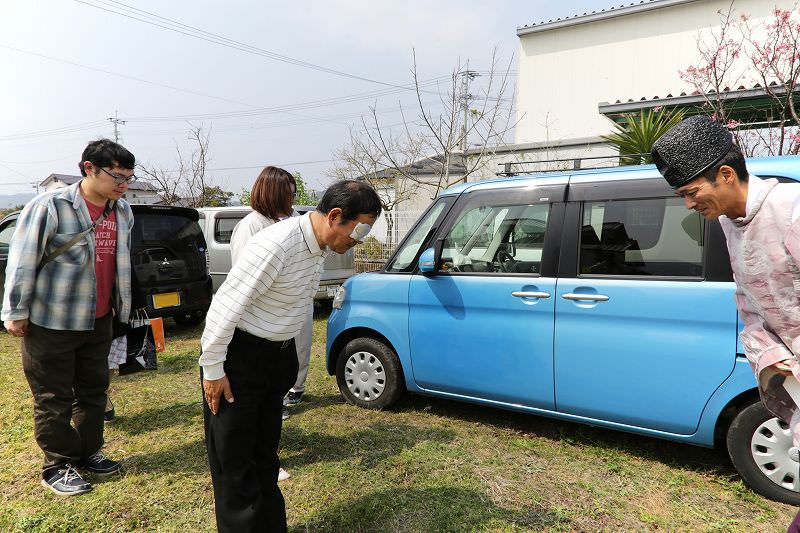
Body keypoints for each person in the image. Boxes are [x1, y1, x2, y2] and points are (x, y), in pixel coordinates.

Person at [200, 179, 381, 532]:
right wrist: (213, 370)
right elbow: (225, 306)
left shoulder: (318, 247)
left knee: (265, 456)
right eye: (359, 228)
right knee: (235, 462)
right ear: (335, 215)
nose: (359, 238)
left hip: (274, 359)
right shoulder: (277, 243)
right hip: (239, 361)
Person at [652, 115, 800, 530]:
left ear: (726, 174)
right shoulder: (730, 225)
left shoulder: (792, 212)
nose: (688, 205)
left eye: (691, 192)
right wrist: (770, 356)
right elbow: (749, 303)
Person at [1, 139, 135, 496]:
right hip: (52, 319)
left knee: (94, 390)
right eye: (117, 175)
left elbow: (120, 266)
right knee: (53, 395)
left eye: (129, 177)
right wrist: (15, 311)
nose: (124, 183)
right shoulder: (50, 206)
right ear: (88, 168)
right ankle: (57, 465)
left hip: (99, 317)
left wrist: (122, 310)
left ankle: (90, 452)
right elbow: (22, 261)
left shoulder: (122, 211)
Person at [228, 165, 308, 482]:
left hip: (281, 326)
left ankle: (267, 460)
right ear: (274, 192)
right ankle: (261, 464)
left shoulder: (283, 222)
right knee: (252, 411)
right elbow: (245, 281)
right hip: (255, 330)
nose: (293, 197)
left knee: (270, 409)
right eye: (289, 192)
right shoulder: (252, 226)